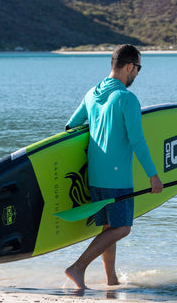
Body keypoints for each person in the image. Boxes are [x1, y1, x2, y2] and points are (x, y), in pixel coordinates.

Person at [64, 44, 163, 289]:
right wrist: (153, 175)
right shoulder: (127, 99)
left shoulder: (92, 94)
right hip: (117, 179)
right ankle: (77, 267)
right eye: (138, 68)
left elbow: (71, 126)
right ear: (129, 66)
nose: (137, 74)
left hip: (95, 176)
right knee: (123, 228)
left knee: (110, 228)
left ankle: (111, 279)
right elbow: (137, 141)